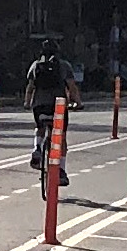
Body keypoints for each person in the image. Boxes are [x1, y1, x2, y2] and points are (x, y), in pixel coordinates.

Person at [24, 39, 79, 183]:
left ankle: (37, 149)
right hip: (58, 106)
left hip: (39, 105)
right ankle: (60, 170)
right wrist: (77, 102)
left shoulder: (36, 66)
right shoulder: (64, 66)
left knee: (40, 127)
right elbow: (72, 87)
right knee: (61, 137)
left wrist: (27, 102)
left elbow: (30, 87)